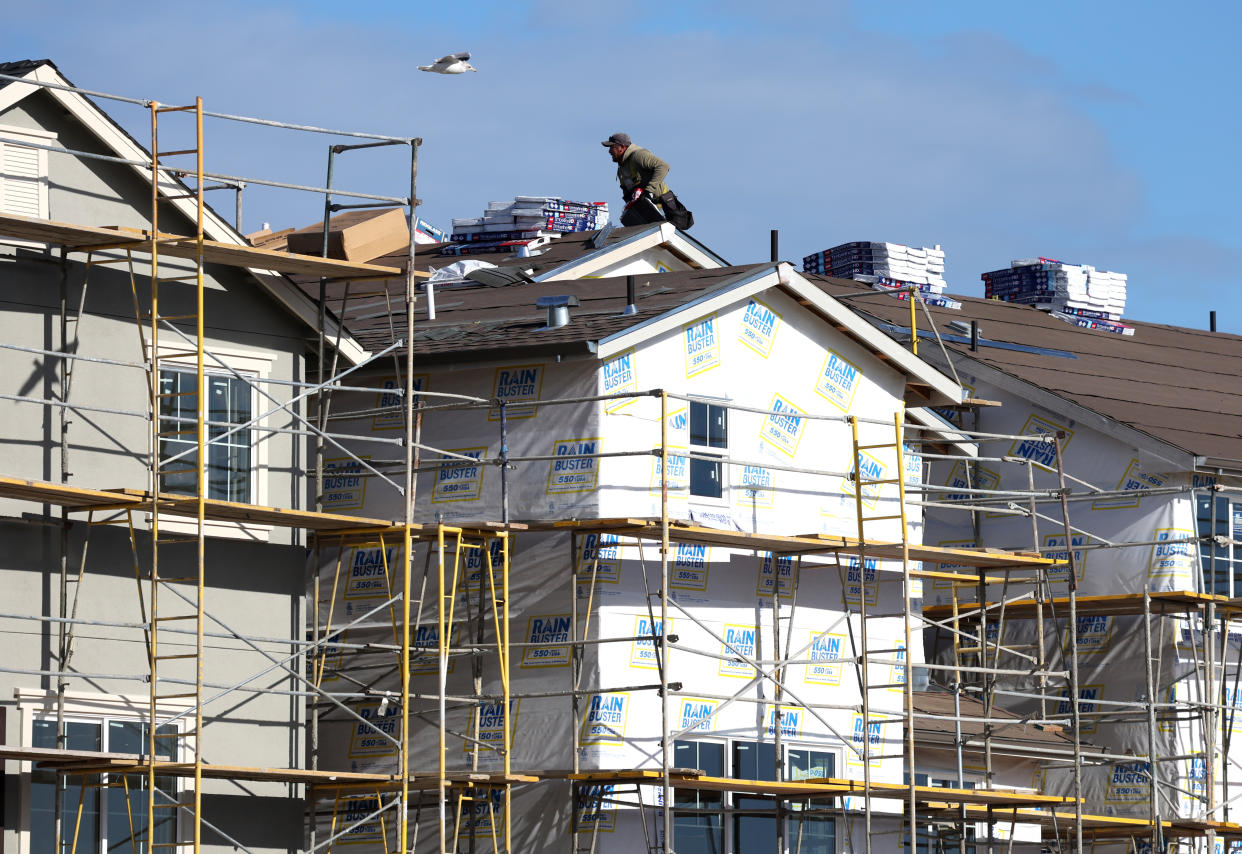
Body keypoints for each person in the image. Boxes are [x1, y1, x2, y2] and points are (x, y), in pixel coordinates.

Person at [601, 133, 693, 230]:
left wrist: (649, 191)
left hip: (660, 208)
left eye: (612, 147)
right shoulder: (622, 167)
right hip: (647, 212)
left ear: (622, 147)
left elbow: (663, 166)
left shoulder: (638, 155)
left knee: (662, 238)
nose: (609, 151)